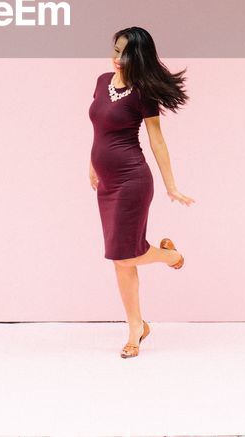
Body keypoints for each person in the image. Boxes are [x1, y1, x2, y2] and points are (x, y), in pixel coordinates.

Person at [87, 26, 194, 359]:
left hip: (132, 180)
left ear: (141, 56)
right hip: (105, 182)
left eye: (127, 53)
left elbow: (156, 140)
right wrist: (92, 163)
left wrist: (171, 185)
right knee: (121, 260)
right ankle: (137, 326)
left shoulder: (143, 92)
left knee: (123, 254)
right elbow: (99, 126)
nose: (118, 59)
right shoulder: (103, 80)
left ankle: (170, 257)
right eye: (116, 50)